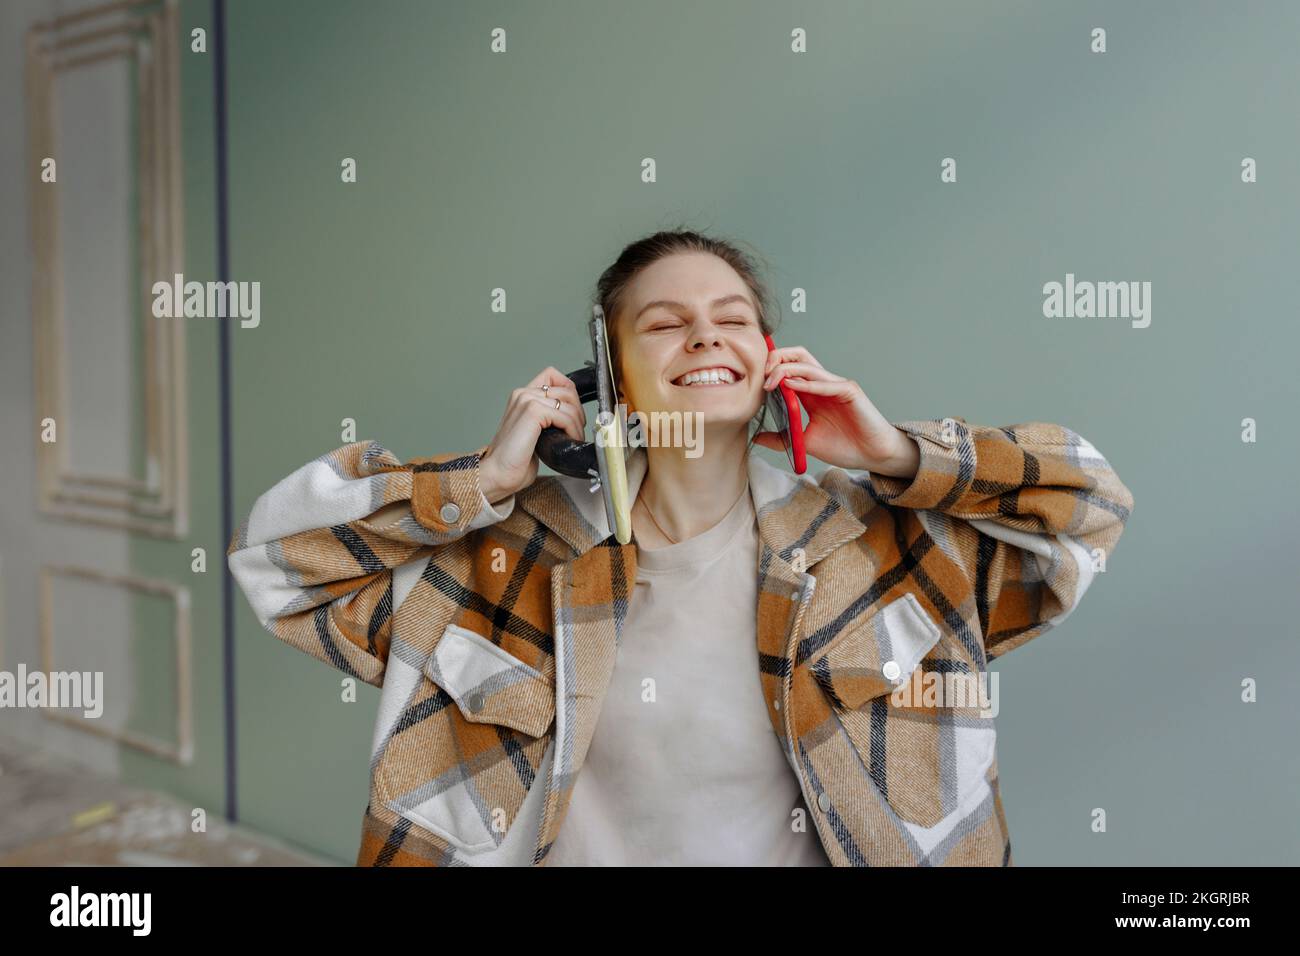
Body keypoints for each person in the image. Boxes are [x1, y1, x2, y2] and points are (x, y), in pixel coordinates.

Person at [228, 229, 1134, 866]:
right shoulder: (500, 559)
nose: (703, 333)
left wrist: (900, 454)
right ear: (607, 374)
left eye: (732, 317)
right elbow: (277, 560)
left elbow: (1086, 509)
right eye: (663, 322)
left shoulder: (884, 543)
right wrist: (482, 483)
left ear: (768, 357)